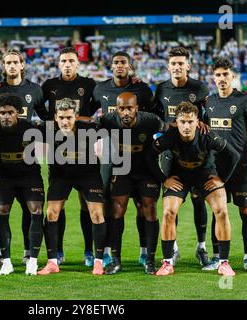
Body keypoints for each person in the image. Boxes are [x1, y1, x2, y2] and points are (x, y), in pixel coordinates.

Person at [149, 102, 240, 277]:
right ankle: (167, 262)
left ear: (197, 121)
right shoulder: (170, 136)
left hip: (205, 175)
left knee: (221, 211)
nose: (186, 126)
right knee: (168, 212)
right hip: (179, 177)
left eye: (190, 121)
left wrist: (222, 180)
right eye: (182, 121)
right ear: (177, 121)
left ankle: (224, 262)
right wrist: (164, 179)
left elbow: (233, 155)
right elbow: (149, 156)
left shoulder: (208, 136)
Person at [0, 49, 47, 268]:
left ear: (22, 64)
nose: (11, 66)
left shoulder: (34, 90)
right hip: (2, 161)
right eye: (7, 62)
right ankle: (3, 254)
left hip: (27, 157)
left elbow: (46, 118)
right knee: (2, 209)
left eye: (15, 62)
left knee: (31, 209)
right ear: (3, 66)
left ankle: (29, 252)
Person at [93, 51, 156, 267]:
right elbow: (89, 116)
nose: (119, 66)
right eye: (116, 63)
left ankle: (145, 253)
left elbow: (158, 118)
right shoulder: (100, 89)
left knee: (145, 206)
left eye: (123, 63)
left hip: (141, 159)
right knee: (110, 206)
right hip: (113, 158)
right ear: (111, 66)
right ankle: (109, 254)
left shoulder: (143, 89)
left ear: (130, 66)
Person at [93, 92, 167, 275]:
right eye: (121, 109)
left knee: (149, 209)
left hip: (146, 171)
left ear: (136, 108)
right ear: (116, 109)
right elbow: (84, 128)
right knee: (117, 210)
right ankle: (116, 260)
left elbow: (172, 129)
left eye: (129, 108)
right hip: (122, 170)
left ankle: (149, 259)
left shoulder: (151, 121)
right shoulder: (108, 121)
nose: (125, 112)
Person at [152, 47, 211, 267]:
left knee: (198, 200)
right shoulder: (160, 89)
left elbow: (208, 117)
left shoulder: (200, 88)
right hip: (170, 155)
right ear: (168, 67)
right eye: (173, 63)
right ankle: (173, 248)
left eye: (181, 63)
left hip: (196, 155)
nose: (177, 67)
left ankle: (201, 247)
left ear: (188, 65)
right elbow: (155, 119)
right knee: (170, 203)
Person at [203, 57, 247, 272]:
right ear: (213, 77)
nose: (221, 78)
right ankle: (217, 257)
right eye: (218, 75)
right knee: (217, 211)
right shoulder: (208, 102)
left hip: (242, 167)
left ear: (232, 76)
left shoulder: (246, 101)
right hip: (216, 169)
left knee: (246, 209)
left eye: (225, 74)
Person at [41, 47, 100, 266]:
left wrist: (80, 119)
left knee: (86, 203)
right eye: (63, 60)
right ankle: (57, 251)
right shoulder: (49, 86)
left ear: (78, 63)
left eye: (71, 60)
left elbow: (95, 109)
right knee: (58, 203)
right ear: (58, 64)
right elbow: (41, 109)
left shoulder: (88, 85)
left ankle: (88, 251)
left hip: (83, 144)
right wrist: (52, 125)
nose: (67, 64)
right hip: (57, 147)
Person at [37, 98, 107, 276]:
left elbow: (111, 126)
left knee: (97, 213)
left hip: (88, 174)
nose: (65, 121)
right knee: (51, 212)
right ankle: (52, 262)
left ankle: (98, 262)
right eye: (61, 117)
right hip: (62, 176)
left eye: (69, 117)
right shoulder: (48, 130)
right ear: (55, 117)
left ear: (76, 116)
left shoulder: (90, 130)